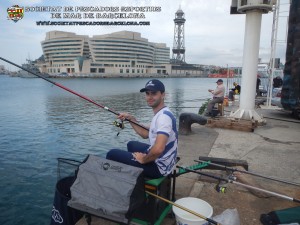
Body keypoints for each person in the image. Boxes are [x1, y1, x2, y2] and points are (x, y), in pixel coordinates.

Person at [106, 79, 178, 179]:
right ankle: (135, 177)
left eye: (154, 93)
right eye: (147, 94)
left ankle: (117, 185)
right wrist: (131, 119)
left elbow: (158, 149)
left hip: (160, 168)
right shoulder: (163, 112)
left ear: (163, 95)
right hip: (166, 161)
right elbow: (145, 133)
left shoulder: (163, 118)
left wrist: (143, 159)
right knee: (131, 144)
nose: (150, 97)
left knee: (111, 154)